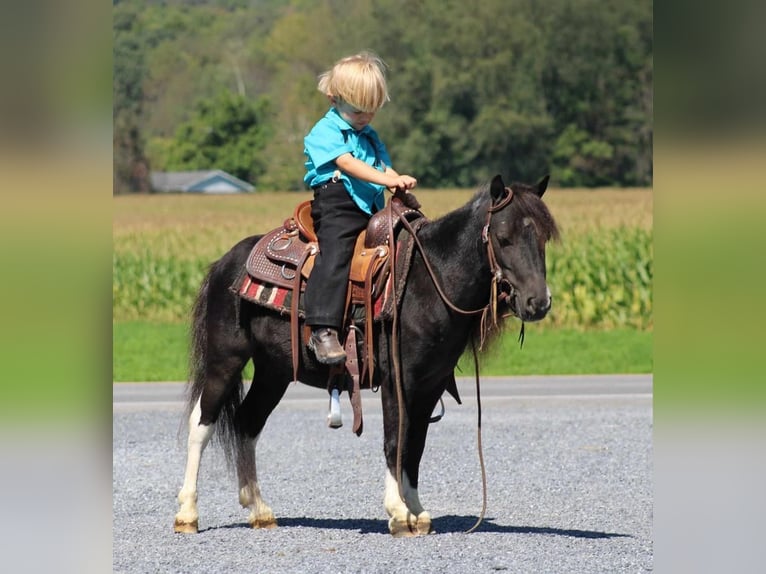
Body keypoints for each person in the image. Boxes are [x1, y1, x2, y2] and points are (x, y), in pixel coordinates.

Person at [302, 51, 417, 365]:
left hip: (370, 204)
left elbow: (383, 166)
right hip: (337, 205)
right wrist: (385, 178)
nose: (365, 118)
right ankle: (322, 328)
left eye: (372, 111)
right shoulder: (324, 133)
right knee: (337, 254)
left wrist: (398, 182)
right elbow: (347, 164)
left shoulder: (369, 135)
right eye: (358, 111)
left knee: (408, 244)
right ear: (333, 98)